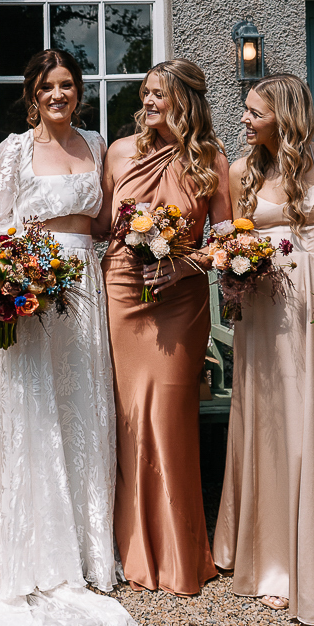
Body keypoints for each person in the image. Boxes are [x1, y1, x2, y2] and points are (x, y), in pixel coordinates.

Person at [0, 48, 135, 626]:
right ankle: (36, 552)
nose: (60, 94)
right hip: (32, 288)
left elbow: (105, 219)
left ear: (79, 92)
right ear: (33, 93)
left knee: (81, 407)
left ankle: (85, 551)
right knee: (34, 410)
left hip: (84, 284)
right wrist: (11, 276)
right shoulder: (13, 149)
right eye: (48, 86)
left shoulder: (95, 142)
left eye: (68, 84)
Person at [213, 73, 314, 624]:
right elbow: (232, 239)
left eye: (254, 112)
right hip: (266, 309)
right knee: (271, 422)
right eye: (246, 111)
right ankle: (274, 558)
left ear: (284, 114)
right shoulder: (242, 170)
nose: (244, 120)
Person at [100, 57, 231, 596]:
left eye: (161, 95)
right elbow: (97, 226)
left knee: (170, 416)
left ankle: (178, 552)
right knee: (128, 415)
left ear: (187, 102)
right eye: (146, 93)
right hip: (123, 293)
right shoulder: (119, 152)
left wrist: (184, 261)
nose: (149, 102)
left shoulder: (210, 160)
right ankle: (130, 549)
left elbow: (226, 240)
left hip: (181, 297)